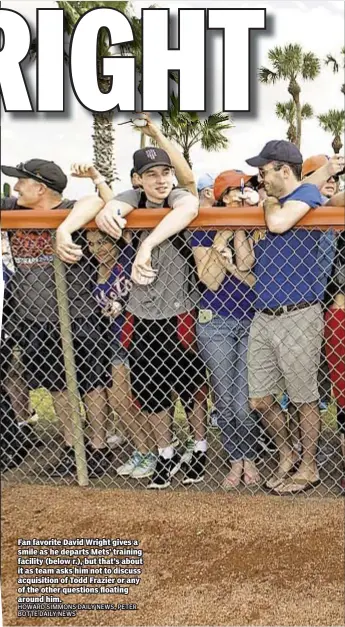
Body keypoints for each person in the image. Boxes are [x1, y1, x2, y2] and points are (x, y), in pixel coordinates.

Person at [56, 144, 208, 489]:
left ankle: (198, 448)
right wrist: (65, 230)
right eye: (151, 174)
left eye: (165, 172)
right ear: (138, 179)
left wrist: (147, 244)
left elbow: (188, 206)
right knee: (151, 392)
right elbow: (97, 203)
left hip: (179, 312)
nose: (161, 180)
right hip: (141, 316)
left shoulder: (179, 197)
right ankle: (166, 454)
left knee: (192, 388)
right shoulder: (129, 202)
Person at [0, 159, 113, 477]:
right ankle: (72, 447)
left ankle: (98, 448)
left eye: (22, 181)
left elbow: (99, 200)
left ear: (40, 187)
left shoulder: (71, 208)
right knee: (58, 387)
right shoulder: (14, 208)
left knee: (92, 385)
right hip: (36, 319)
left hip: (81, 315)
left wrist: (63, 228)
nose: (16, 187)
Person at [245, 140, 326, 495]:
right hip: (264, 314)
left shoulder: (306, 193)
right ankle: (287, 452)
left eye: (264, 171)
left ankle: (309, 467)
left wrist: (267, 202)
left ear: (284, 170)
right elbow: (250, 261)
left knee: (303, 397)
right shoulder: (281, 200)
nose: (260, 178)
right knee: (259, 399)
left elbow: (278, 223)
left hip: (299, 313)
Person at [192, 170, 261, 488]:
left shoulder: (258, 224)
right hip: (214, 322)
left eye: (245, 190)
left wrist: (239, 229)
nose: (242, 196)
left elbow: (248, 271)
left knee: (242, 402)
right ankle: (236, 460)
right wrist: (223, 230)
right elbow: (211, 280)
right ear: (221, 196)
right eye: (235, 191)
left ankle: (249, 456)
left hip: (250, 322)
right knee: (223, 400)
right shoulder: (205, 227)